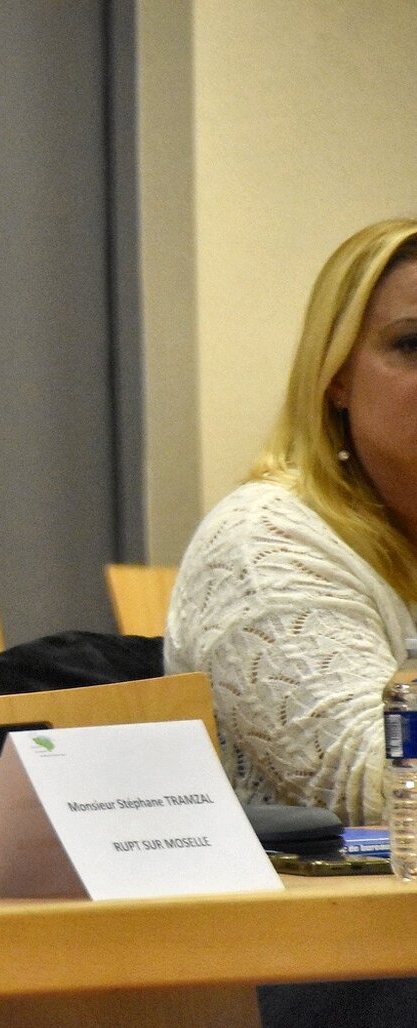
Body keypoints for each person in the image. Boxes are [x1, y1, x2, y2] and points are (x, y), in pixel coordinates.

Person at [165, 218, 417, 825]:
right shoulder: (261, 544)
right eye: (412, 345)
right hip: (318, 889)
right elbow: (384, 790)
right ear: (336, 378)